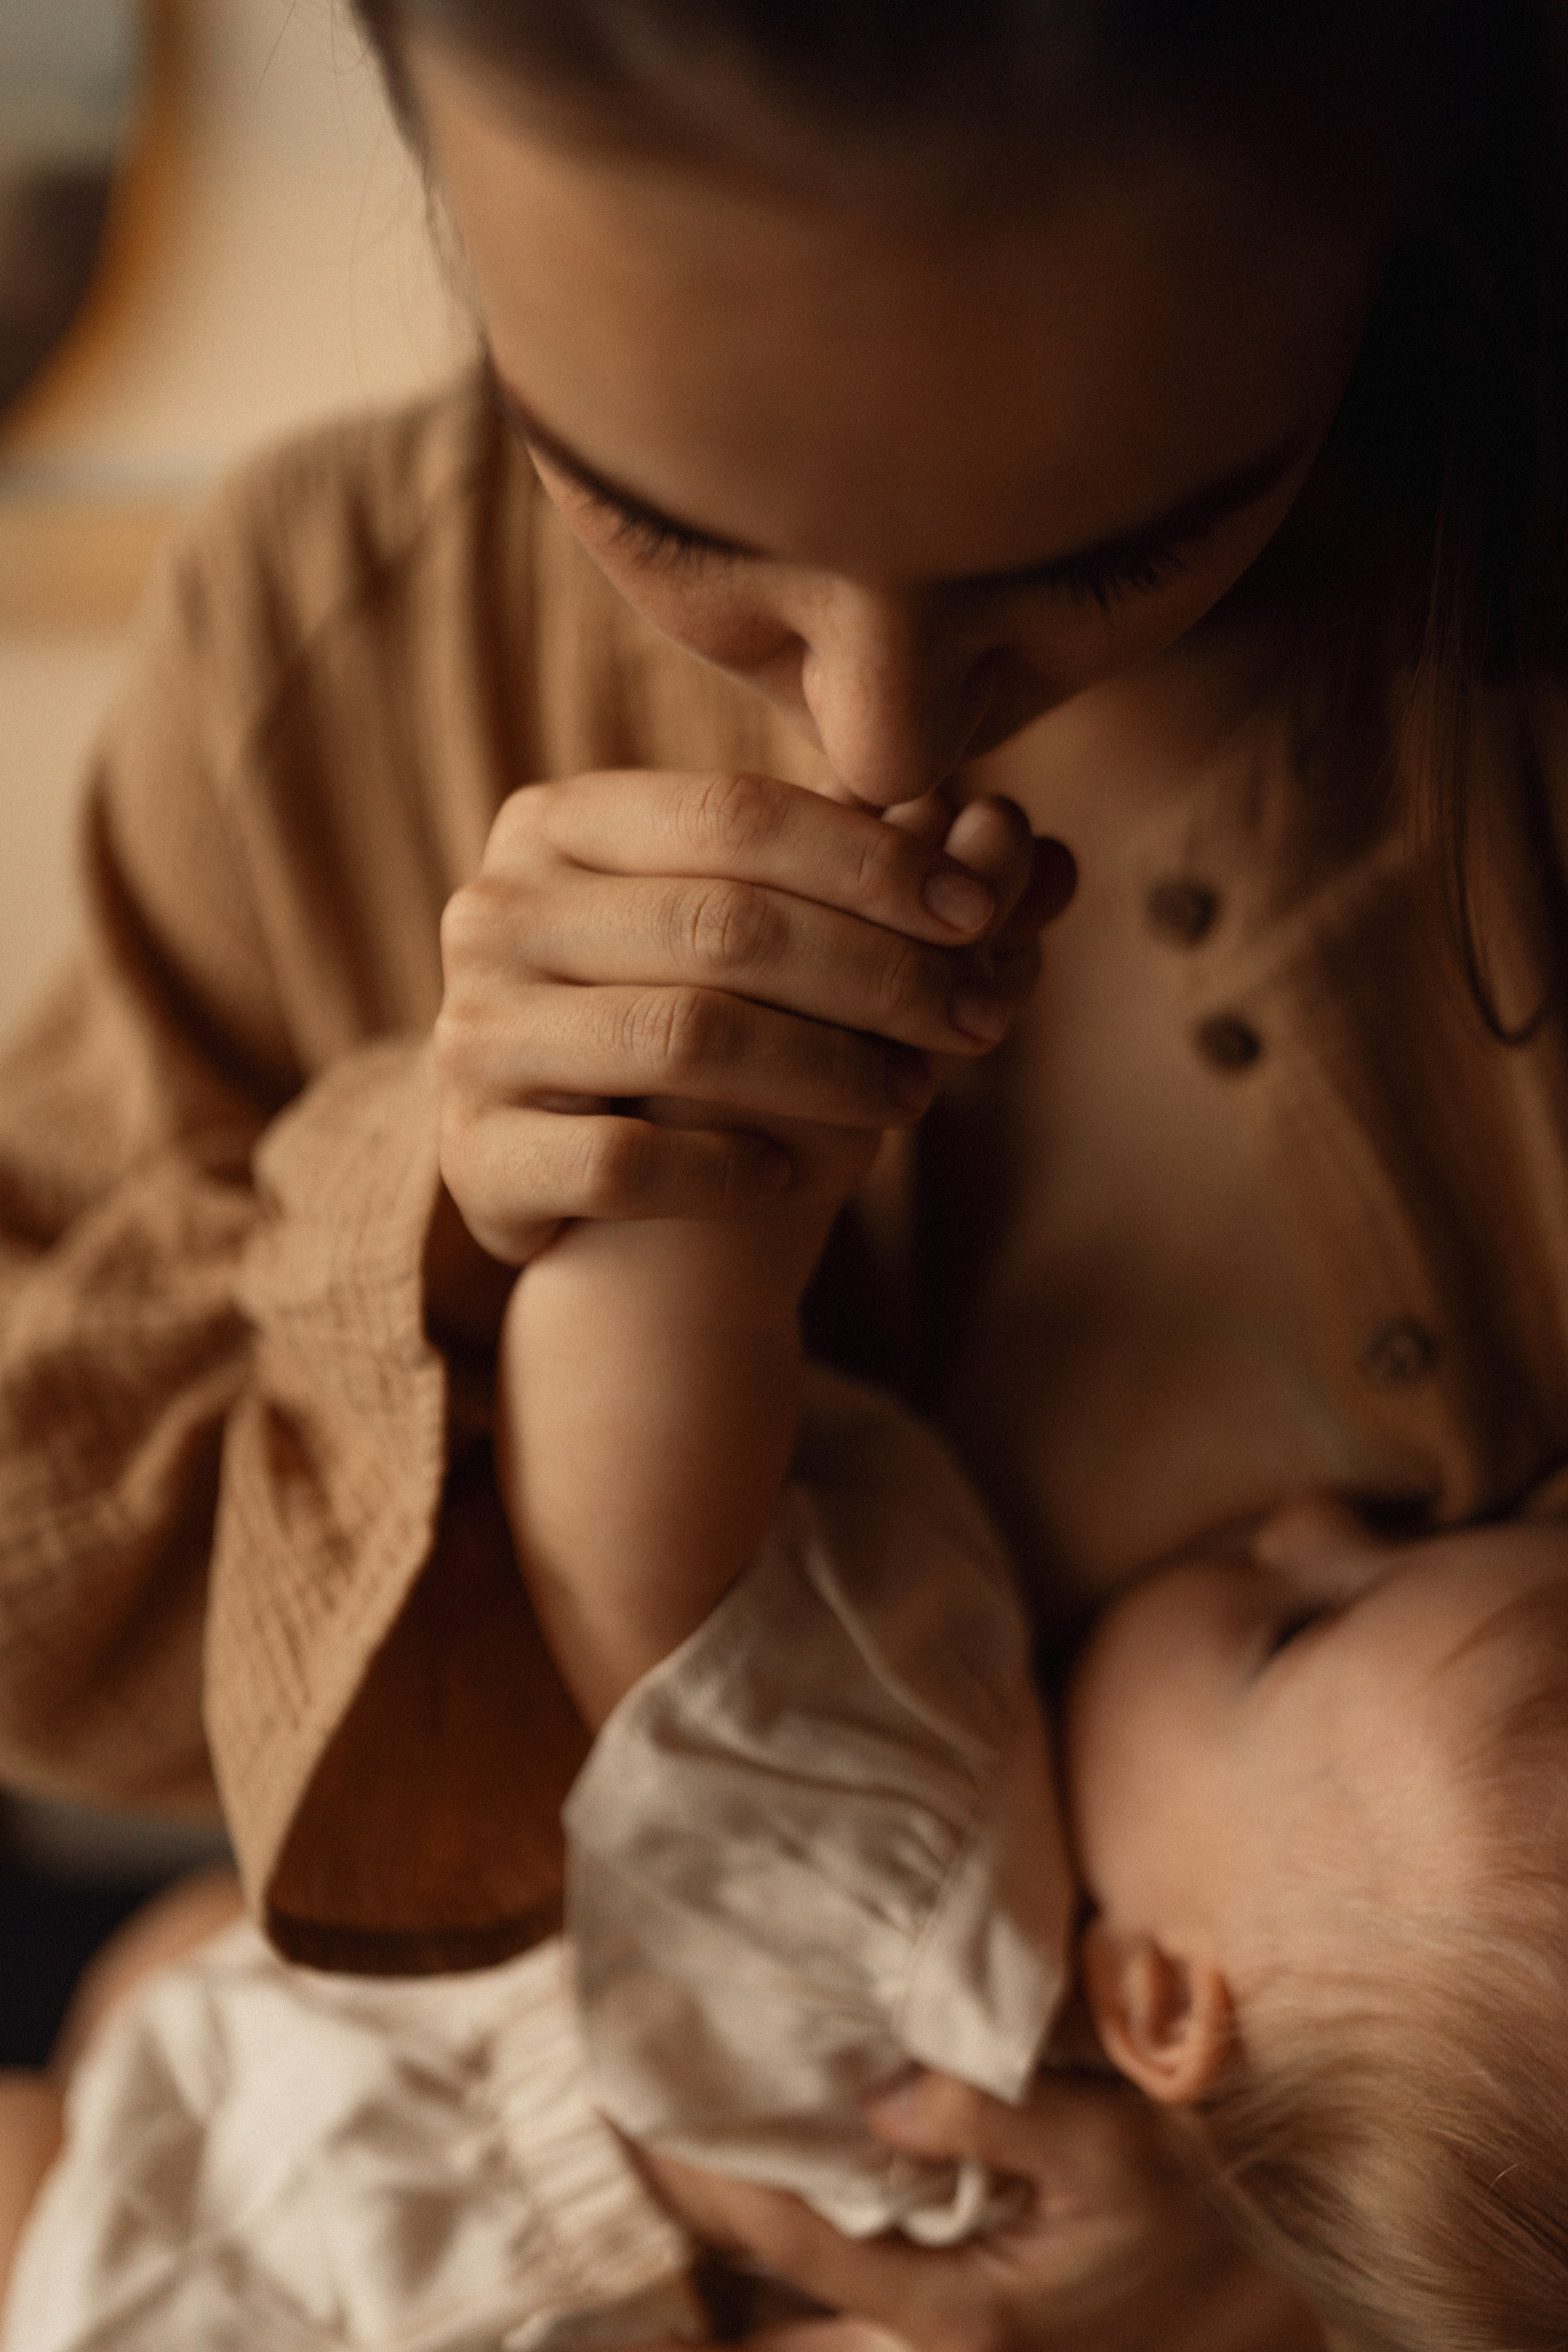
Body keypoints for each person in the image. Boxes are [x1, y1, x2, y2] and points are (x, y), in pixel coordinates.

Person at [2, 0, 1568, 2340]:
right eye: (651, 512)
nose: (877, 734)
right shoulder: (317, 653)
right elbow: (49, 1620)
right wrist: (418, 1200)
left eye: (1132, 543)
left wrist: (1317, 2248)